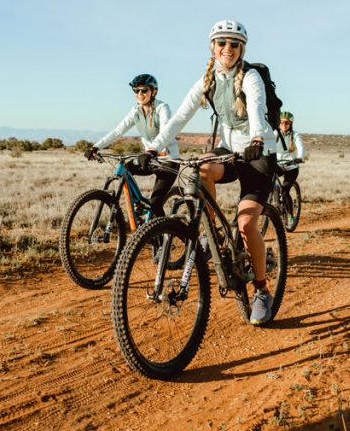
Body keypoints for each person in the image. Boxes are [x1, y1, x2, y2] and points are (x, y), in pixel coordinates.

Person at [145, 19, 278, 325]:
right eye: (222, 43)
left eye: (234, 44)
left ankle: (261, 290)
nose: (227, 49)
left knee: (246, 224)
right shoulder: (207, 80)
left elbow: (256, 108)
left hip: (259, 153)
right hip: (230, 150)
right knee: (199, 169)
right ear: (212, 47)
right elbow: (179, 117)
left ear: (241, 48)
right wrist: (154, 147)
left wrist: (257, 138)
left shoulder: (251, 77)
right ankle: (212, 234)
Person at [87, 74, 178, 218]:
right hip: (150, 159)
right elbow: (118, 131)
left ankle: (166, 233)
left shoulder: (162, 108)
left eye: (144, 90)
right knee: (126, 169)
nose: (139, 94)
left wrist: (152, 150)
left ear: (153, 91)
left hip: (168, 160)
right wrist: (96, 147)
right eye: (136, 91)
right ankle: (138, 203)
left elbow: (165, 132)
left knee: (155, 204)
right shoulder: (135, 111)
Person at [275, 111, 305, 211]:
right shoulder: (275, 133)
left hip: (291, 166)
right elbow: (267, 144)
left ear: (290, 124)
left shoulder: (295, 135)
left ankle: (290, 215)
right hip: (278, 165)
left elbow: (300, 147)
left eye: (286, 123)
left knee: (284, 191)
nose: (284, 125)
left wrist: (299, 157)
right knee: (268, 184)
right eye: (282, 122)